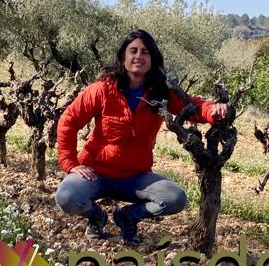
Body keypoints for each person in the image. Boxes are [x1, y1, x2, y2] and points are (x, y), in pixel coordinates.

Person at [55, 29, 228, 246]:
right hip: (96, 173)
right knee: (67, 197)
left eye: (145, 52)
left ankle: (126, 217)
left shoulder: (160, 92)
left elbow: (192, 106)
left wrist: (213, 110)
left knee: (175, 199)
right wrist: (70, 163)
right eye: (133, 51)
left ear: (152, 59)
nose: (138, 56)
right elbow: (68, 120)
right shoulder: (102, 90)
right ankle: (96, 218)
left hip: (135, 177)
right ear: (123, 57)